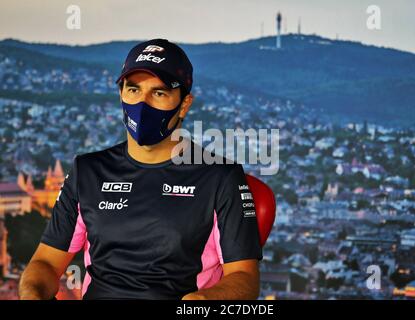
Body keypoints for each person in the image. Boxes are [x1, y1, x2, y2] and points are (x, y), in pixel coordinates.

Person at [19, 38, 262, 300]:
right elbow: (45, 263)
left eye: (159, 93)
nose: (142, 104)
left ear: (184, 104)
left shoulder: (220, 177)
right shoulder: (87, 171)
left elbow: (245, 278)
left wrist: (203, 301)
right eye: (134, 90)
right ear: (121, 93)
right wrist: (32, 293)